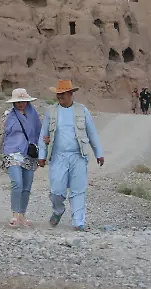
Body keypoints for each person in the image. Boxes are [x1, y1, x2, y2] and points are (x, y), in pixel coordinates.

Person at [38, 80, 104, 232]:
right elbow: (44, 135)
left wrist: (98, 153)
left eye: (63, 95)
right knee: (56, 191)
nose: (60, 97)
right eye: (58, 95)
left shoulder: (82, 110)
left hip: (78, 156)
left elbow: (92, 133)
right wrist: (42, 154)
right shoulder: (51, 111)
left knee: (78, 190)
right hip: (58, 156)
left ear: (71, 94)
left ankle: (78, 222)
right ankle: (58, 210)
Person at [0, 88, 42, 227]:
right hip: (12, 152)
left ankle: (22, 216)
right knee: (17, 183)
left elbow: (39, 135)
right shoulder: (8, 115)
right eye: (18, 101)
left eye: (23, 101)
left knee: (27, 186)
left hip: (30, 154)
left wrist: (41, 156)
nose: (21, 104)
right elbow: (0, 134)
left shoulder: (33, 116)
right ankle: (14, 215)